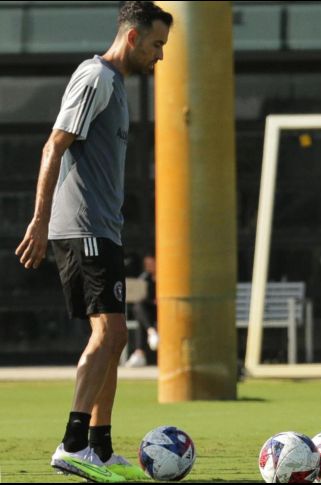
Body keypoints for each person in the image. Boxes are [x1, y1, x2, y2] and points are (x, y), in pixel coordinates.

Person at [14, 2, 171, 481]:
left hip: (101, 227)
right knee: (109, 333)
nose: (160, 56)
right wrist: (39, 221)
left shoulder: (117, 85)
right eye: (157, 45)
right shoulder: (96, 77)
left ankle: (99, 447)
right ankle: (73, 443)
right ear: (132, 38)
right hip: (82, 227)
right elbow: (54, 144)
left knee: (116, 334)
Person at [124, 254, 158, 367]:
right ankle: (151, 332)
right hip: (150, 312)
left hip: (164, 310)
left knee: (141, 319)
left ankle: (139, 354)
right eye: (146, 264)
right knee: (139, 307)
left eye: (151, 264)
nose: (149, 267)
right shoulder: (144, 278)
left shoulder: (166, 277)